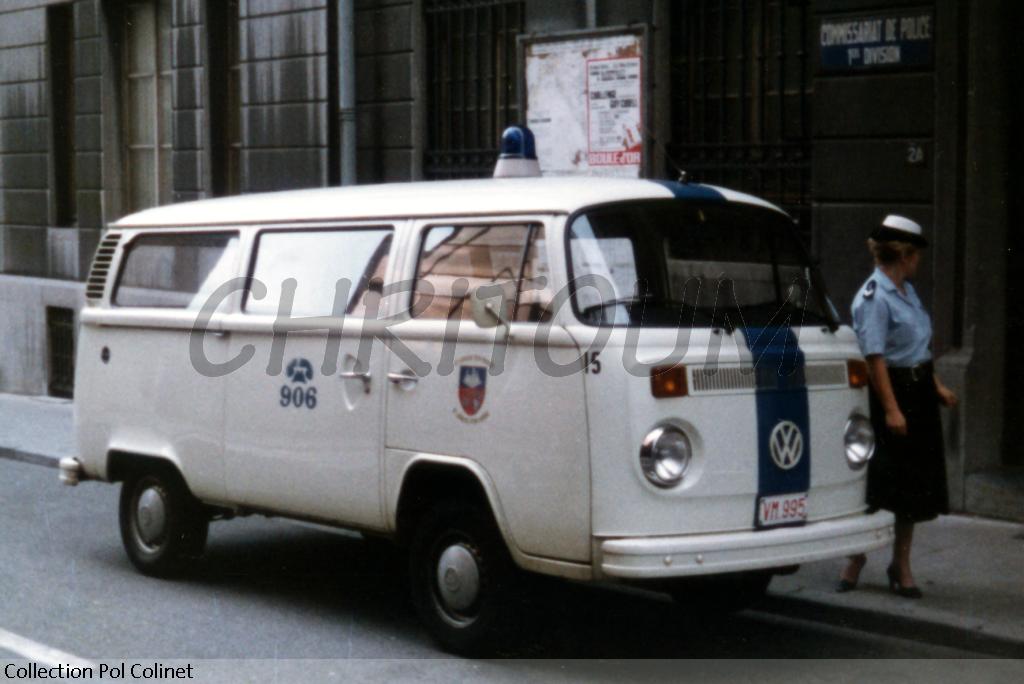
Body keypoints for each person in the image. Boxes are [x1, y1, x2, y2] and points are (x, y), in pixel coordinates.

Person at [837, 215, 958, 599]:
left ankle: (900, 565)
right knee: (879, 486)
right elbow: (875, 359)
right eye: (916, 255)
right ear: (904, 255)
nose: (919, 261)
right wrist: (891, 410)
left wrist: (936, 386)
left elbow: (917, 349)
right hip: (891, 396)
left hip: (917, 392)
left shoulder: (905, 291)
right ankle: (855, 558)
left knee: (914, 490)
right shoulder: (874, 297)